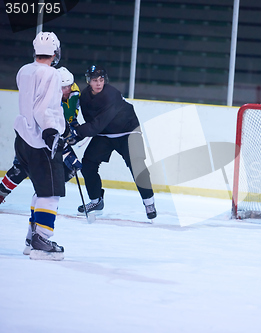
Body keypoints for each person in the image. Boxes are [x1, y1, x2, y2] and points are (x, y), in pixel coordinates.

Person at [70, 65, 156, 221]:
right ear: (89, 81)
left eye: (101, 80)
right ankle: (96, 201)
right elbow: (92, 124)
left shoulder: (112, 95)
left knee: (137, 165)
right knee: (88, 164)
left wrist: (75, 134)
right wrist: (74, 136)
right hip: (105, 134)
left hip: (128, 132)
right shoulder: (84, 97)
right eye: (95, 80)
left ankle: (148, 201)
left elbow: (97, 124)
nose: (98, 83)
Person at [14, 31, 67, 260]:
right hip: (40, 140)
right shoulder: (51, 74)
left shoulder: (24, 70)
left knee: (40, 190)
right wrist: (51, 132)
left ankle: (31, 238)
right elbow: (45, 107)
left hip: (22, 138)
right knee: (50, 191)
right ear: (55, 52)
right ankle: (41, 240)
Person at [0, 66, 81, 204]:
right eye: (63, 87)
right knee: (20, 169)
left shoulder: (75, 93)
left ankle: (42, 196)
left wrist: (72, 131)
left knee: (72, 166)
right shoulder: (46, 96)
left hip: (57, 138)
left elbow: (71, 118)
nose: (66, 90)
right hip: (34, 137)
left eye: (68, 86)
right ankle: (1, 193)